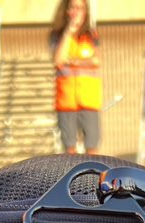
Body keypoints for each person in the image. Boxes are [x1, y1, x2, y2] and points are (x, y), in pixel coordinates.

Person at [50, 0, 102, 155]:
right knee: (69, 150)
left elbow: (96, 60)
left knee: (92, 148)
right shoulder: (58, 35)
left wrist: (73, 61)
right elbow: (58, 60)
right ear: (66, 10)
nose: (76, 12)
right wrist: (68, 32)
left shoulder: (91, 35)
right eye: (73, 7)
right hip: (67, 101)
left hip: (89, 100)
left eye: (80, 8)